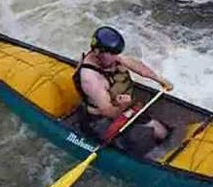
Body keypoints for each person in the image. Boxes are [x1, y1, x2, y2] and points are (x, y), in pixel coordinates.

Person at [72, 25, 173, 156]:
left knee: (161, 131)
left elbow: (135, 65)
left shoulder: (108, 56)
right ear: (98, 52)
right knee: (140, 143)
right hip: (101, 121)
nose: (116, 57)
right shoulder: (91, 79)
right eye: (112, 54)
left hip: (126, 109)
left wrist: (158, 79)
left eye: (117, 54)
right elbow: (108, 112)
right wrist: (123, 106)